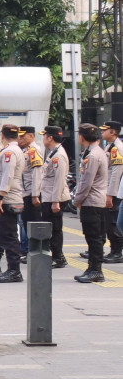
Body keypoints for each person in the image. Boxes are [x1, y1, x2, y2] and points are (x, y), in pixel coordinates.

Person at [74, 123, 108, 283]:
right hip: (95, 201)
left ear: (82, 136)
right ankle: (93, 268)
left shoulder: (93, 156)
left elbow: (86, 182)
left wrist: (77, 199)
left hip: (92, 201)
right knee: (94, 237)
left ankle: (96, 270)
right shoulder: (96, 152)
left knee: (93, 237)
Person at [0, 124, 25, 283]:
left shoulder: (9, 152)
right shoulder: (16, 150)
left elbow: (7, 175)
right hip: (10, 197)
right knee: (6, 235)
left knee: (8, 236)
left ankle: (14, 270)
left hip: (7, 199)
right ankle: (12, 269)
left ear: (2, 136)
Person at [39, 126, 70, 268]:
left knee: (55, 229)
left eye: (44, 136)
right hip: (49, 196)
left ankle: (58, 257)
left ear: (50, 137)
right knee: (51, 228)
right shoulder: (54, 153)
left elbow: (59, 179)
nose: (43, 138)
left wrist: (56, 201)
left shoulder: (58, 155)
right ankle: (56, 255)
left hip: (54, 198)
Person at [17, 126, 44, 262]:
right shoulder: (25, 150)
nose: (20, 139)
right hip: (25, 192)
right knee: (27, 223)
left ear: (31, 136)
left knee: (33, 224)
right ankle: (31, 251)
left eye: (23, 136)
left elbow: (37, 174)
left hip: (30, 193)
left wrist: (35, 194)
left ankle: (35, 252)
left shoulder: (34, 150)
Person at [100, 121, 123, 263]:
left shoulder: (117, 148)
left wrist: (111, 194)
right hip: (109, 189)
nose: (102, 133)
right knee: (109, 221)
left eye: (105, 130)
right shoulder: (110, 146)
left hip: (113, 191)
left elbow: (116, 172)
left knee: (113, 222)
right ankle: (114, 249)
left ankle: (117, 251)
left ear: (113, 132)